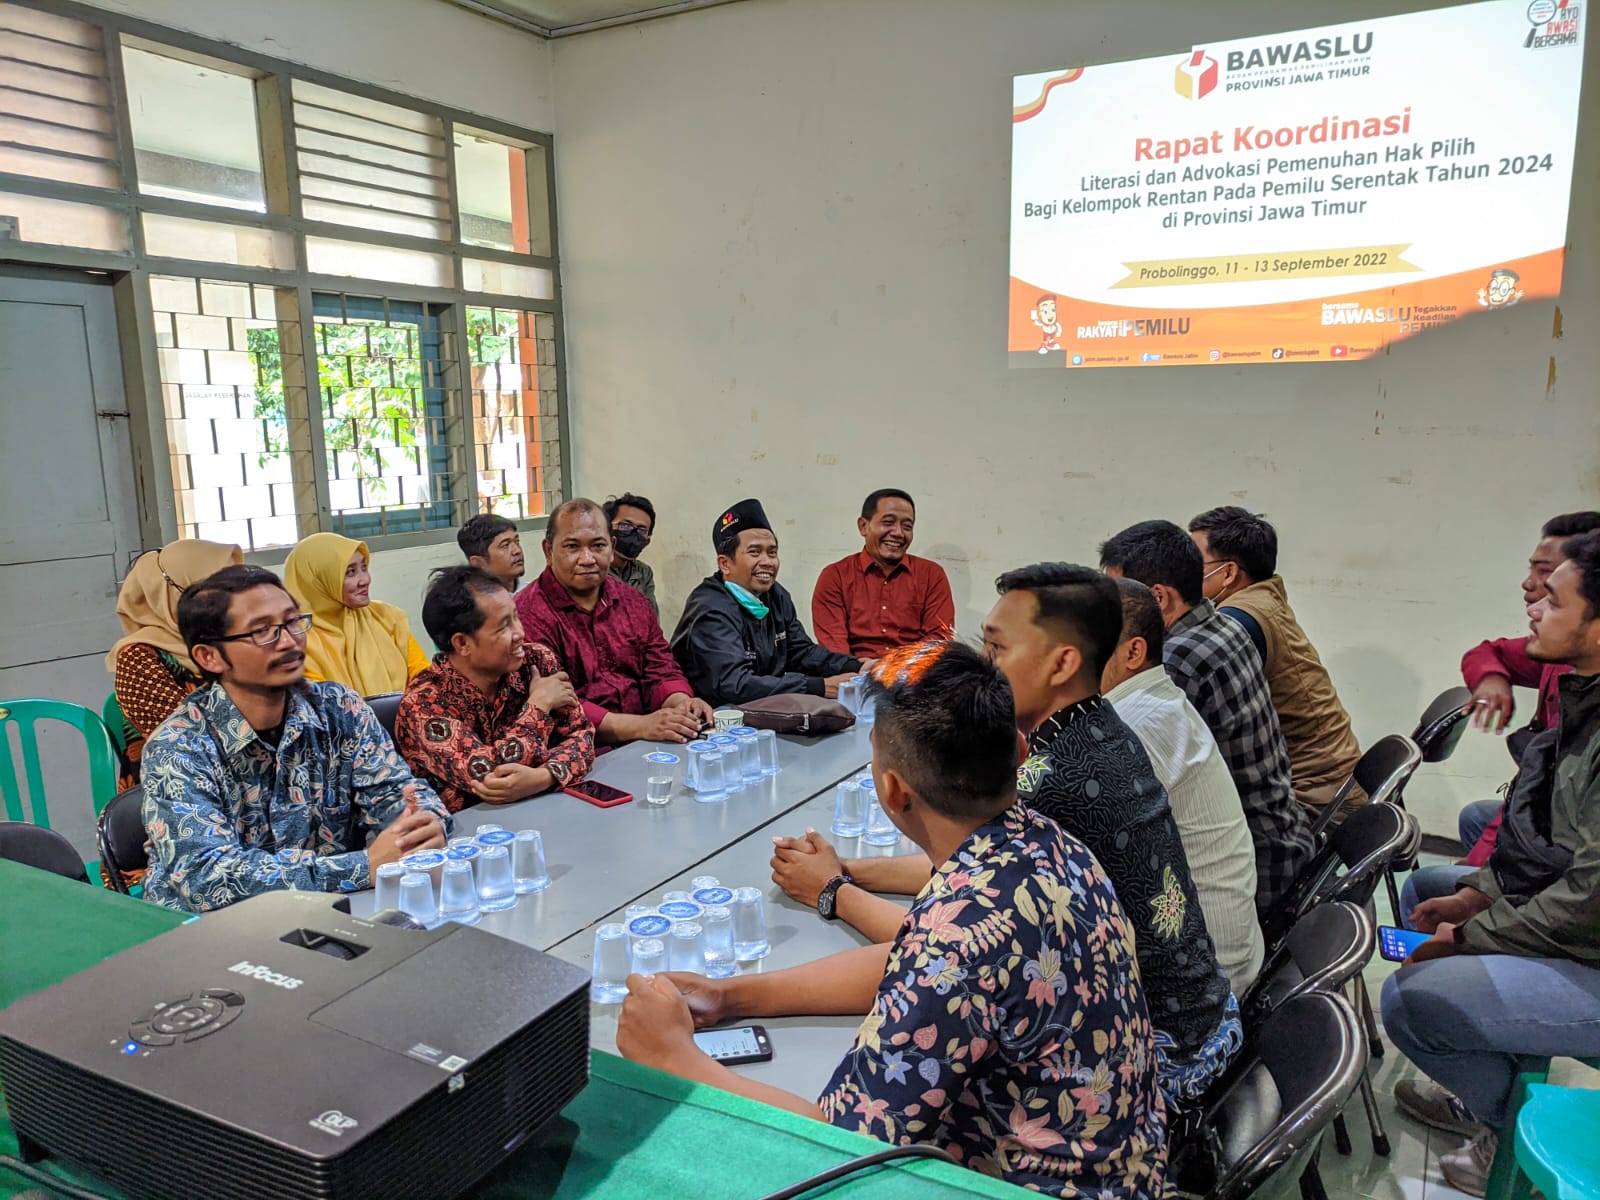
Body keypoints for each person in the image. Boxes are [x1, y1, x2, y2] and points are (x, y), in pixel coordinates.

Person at [617, 641, 1170, 1199]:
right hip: (1125, 1171)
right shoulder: (1048, 844)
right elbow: (909, 957)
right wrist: (731, 996)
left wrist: (673, 1058)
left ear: (892, 789)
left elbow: (837, 1150)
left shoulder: (957, 938)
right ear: (1019, 751)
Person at [773, 567, 1240, 1103]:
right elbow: (965, 871)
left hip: (1163, 1059)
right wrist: (849, 870)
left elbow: (944, 946)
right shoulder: (1095, 730)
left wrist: (832, 892)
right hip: (1199, 1017)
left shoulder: (1054, 781)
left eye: (996, 649)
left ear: (1062, 663)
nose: (985, 667)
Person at [1383, 529, 1600, 1197]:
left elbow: (1590, 896)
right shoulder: (1583, 691)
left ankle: (1522, 1144)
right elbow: (1540, 839)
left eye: (1555, 598)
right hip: (1581, 934)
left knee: (1412, 1001)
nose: (1533, 604)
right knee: (1430, 925)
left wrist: (1472, 937)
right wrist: (1478, 897)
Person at [140, 565, 451, 913]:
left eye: (292, 622)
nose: (289, 641)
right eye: (263, 632)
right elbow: (206, 879)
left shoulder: (340, 708)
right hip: (214, 939)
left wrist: (422, 825)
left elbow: (397, 792)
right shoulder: (179, 748)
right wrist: (364, 866)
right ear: (209, 657)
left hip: (330, 917)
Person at [1099, 520, 1313, 925]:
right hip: (1283, 837)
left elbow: (1113, 767)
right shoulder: (1224, 625)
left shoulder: (1177, 661)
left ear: (1158, 598)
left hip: (1252, 874)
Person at [1102, 577, 1265, 992]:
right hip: (1226, 949)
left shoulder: (1129, 725)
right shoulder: (1153, 699)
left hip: (1200, 986)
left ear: (1133, 652)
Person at [1188, 506, 1363, 820]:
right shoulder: (1261, 599)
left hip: (1313, 797)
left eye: (1192, 564)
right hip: (1333, 781)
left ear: (1227, 573)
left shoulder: (1237, 621)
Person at [1455, 510, 1600, 865]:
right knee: (1475, 816)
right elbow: (1487, 652)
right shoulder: (1561, 653)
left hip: (1559, 838)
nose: (1527, 584)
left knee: (1425, 887)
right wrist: (1492, 677)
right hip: (1547, 816)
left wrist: (1471, 887)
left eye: (1545, 575)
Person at [395, 566, 594, 813]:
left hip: (547, 809)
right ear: (463, 643)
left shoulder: (536, 662)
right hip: (469, 836)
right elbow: (492, 775)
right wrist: (538, 706)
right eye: (503, 627)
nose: (520, 633)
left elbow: (582, 736)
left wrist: (545, 777)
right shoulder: (423, 704)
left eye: (516, 617)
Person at [517, 499, 714, 745]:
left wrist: (682, 703)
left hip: (648, 743)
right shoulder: (527, 615)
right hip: (574, 754)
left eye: (598, 545)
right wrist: (643, 726)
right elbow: (559, 704)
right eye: (572, 547)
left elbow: (661, 667)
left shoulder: (633, 601)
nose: (587, 558)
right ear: (548, 551)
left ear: (611, 547)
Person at [671, 499, 862, 705]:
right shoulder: (710, 607)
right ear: (725, 564)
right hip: (717, 719)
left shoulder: (777, 596)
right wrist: (820, 687)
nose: (768, 562)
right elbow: (733, 684)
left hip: (762, 709)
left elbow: (801, 652)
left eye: (772, 552)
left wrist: (855, 667)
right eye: (754, 552)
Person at [106, 539, 243, 784]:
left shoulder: (232, 639)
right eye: (220, 591)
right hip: (180, 792)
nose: (236, 602)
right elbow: (191, 737)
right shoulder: (137, 658)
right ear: (172, 595)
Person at [810, 488, 955, 658]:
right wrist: (860, 672)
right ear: (863, 526)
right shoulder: (835, 577)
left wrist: (897, 674)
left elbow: (937, 642)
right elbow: (834, 649)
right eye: (888, 523)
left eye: (907, 526)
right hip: (853, 675)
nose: (898, 533)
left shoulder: (931, 575)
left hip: (914, 677)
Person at [282, 532, 429, 694]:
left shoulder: (386, 617)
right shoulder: (296, 640)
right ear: (317, 581)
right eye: (350, 572)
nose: (365, 580)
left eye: (364, 567)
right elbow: (320, 704)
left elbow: (424, 679)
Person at [603, 493, 659, 619]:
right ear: (606, 528)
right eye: (625, 526)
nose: (633, 533)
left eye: (641, 530)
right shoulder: (591, 570)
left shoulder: (644, 573)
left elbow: (651, 622)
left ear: (647, 542)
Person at [457, 513, 525, 593]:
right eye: (505, 545)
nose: (517, 550)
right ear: (477, 562)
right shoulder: (469, 602)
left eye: (517, 542)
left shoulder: (534, 593)